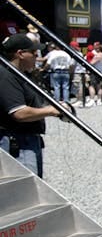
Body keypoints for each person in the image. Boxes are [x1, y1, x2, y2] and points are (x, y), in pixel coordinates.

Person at [0, 34, 65, 177]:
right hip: (18, 142)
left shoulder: (22, 74)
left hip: (27, 140)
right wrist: (51, 110)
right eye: (34, 53)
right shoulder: (6, 75)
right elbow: (19, 113)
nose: (37, 56)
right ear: (21, 54)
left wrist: (54, 106)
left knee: (31, 186)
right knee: (25, 189)